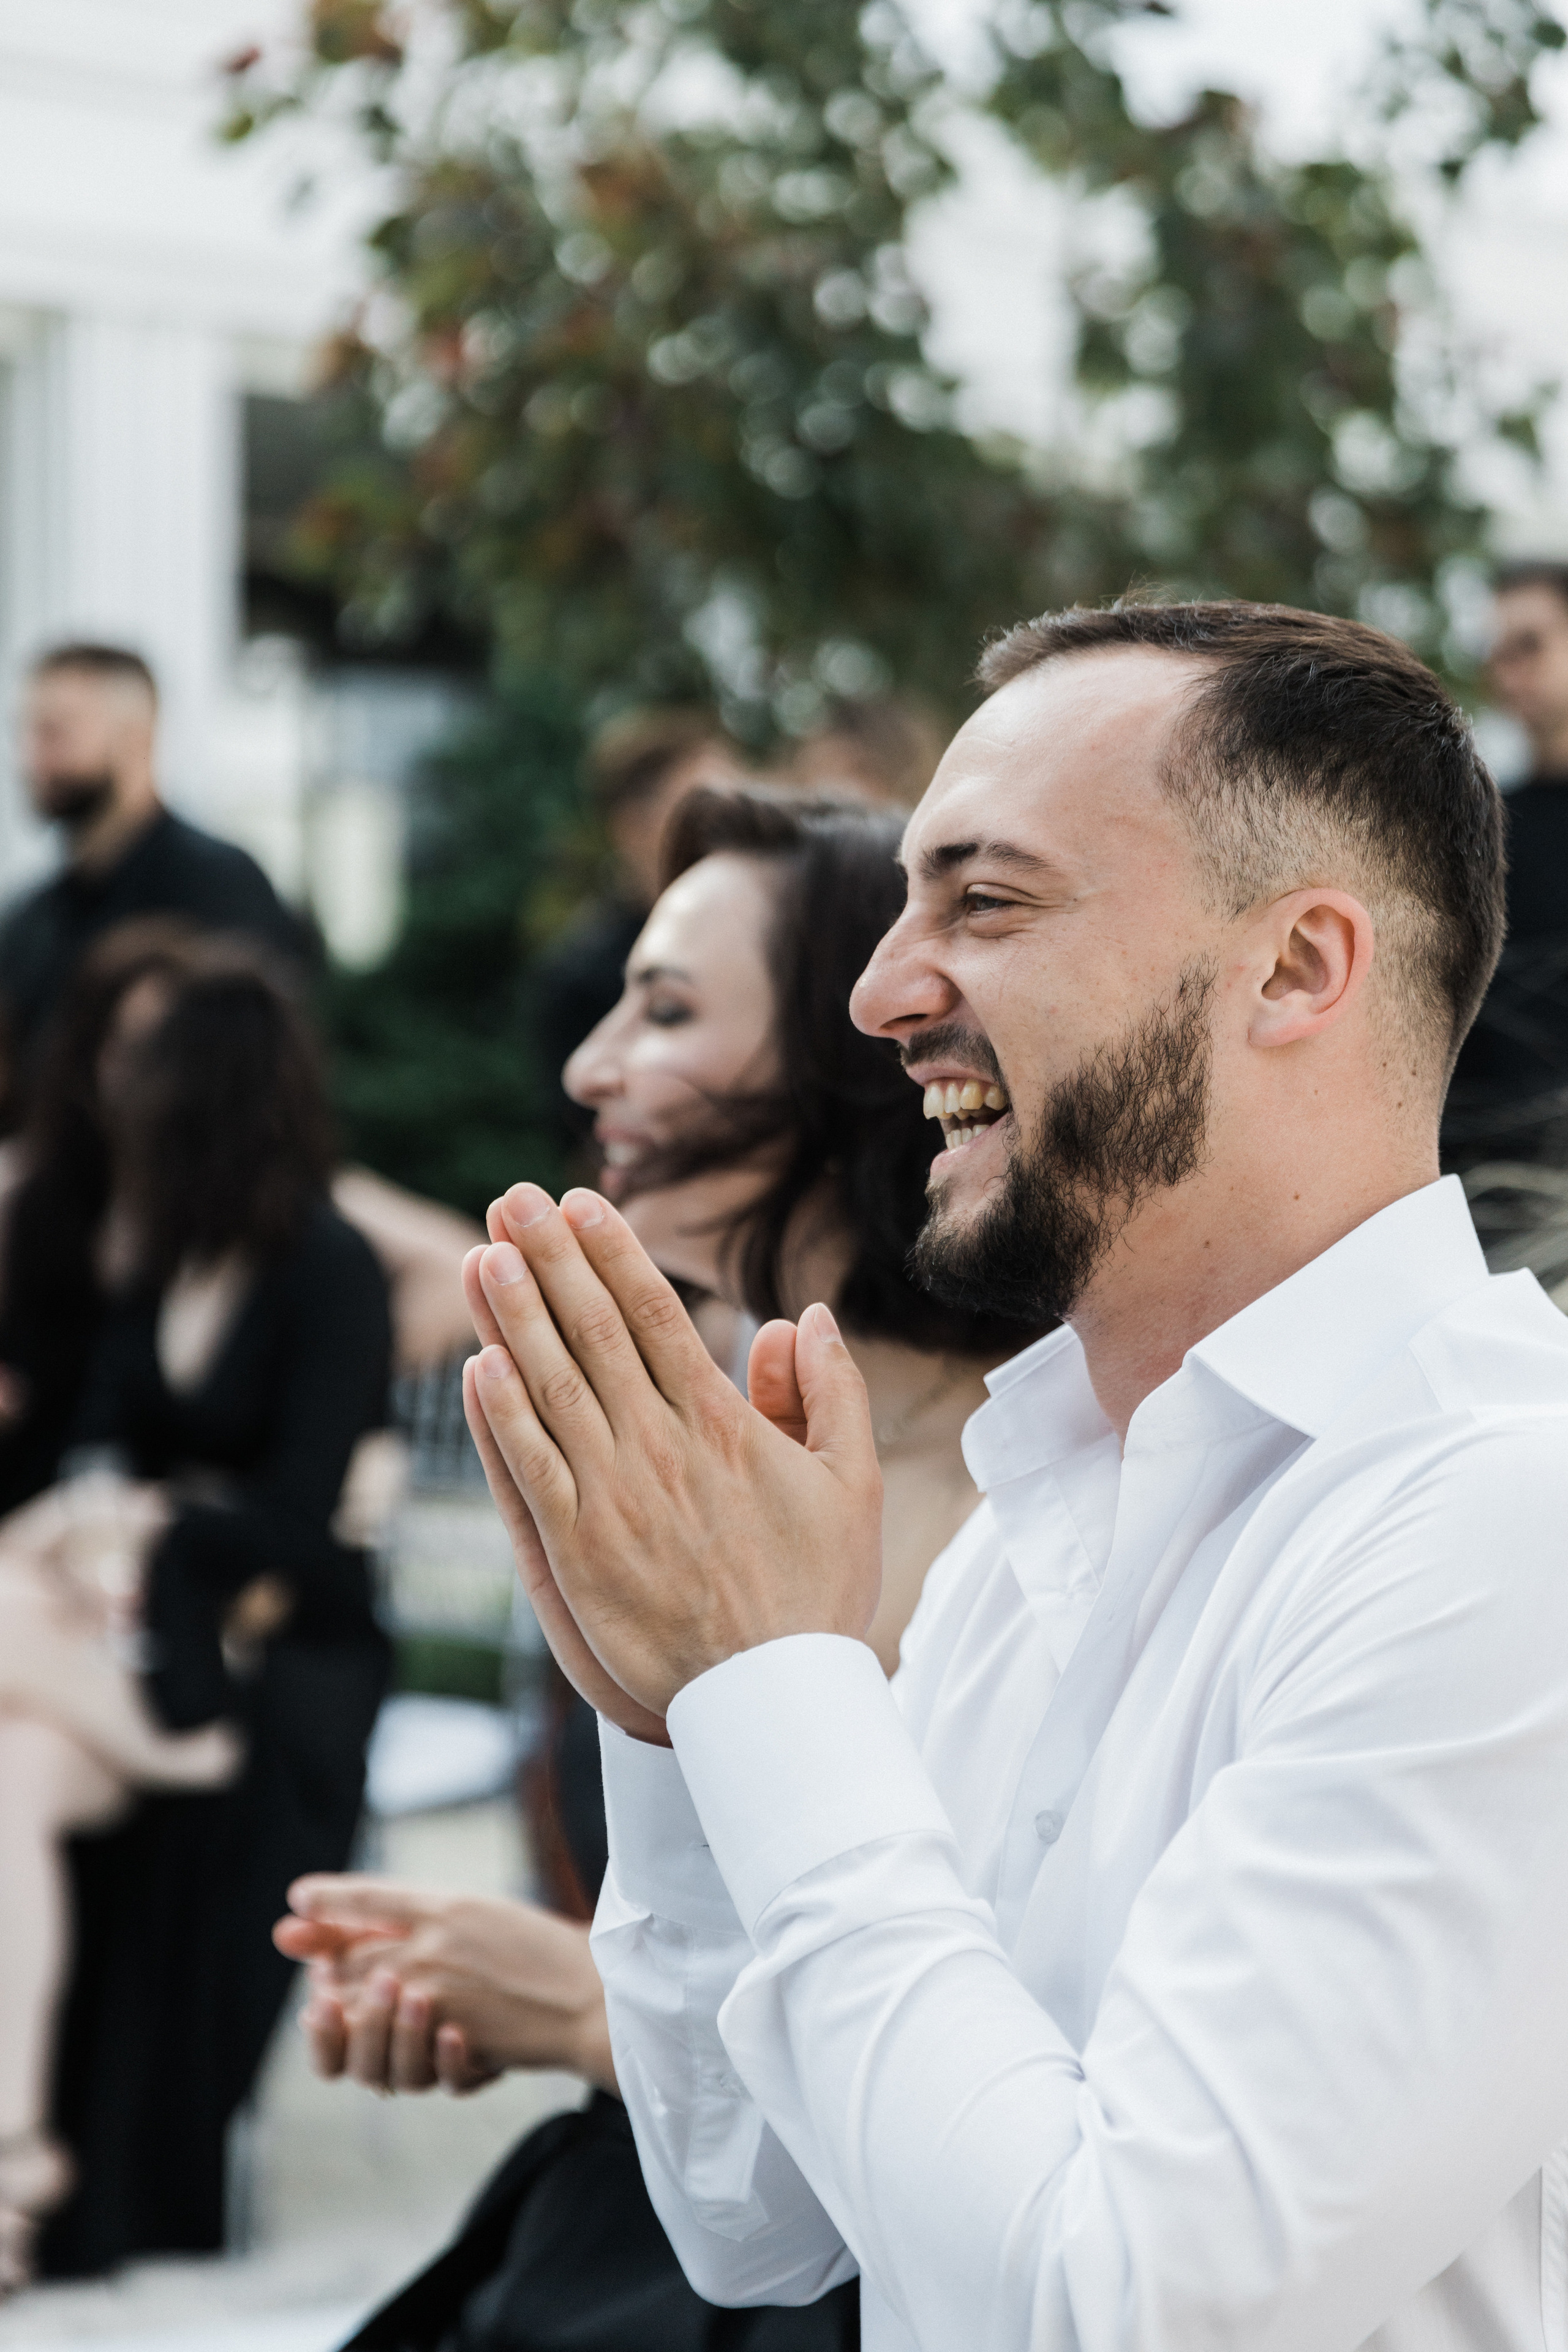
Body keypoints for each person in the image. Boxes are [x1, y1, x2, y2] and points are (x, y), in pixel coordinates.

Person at [466, 601, 1568, 2351]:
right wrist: (676, 1704)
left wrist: (775, 1675)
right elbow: (764, 2222)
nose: (882, 993)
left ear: (1298, 967)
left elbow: (1109, 2308)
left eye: (986, 901)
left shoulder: (1502, 1523)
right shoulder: (1050, 1507)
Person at [273, 791, 1040, 2352]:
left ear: (860, 1063)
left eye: (667, 1007)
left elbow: (1010, 2090)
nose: (587, 1064)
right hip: (635, 2216)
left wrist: (570, 2001)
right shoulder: (665, 1448)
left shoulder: (1042, 1493)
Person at [4, 948, 393, 2283]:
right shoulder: (166, 1259)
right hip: (135, 1649)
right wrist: (120, 1514)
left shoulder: (326, 1268)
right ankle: (18, 2164)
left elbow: (296, 1511)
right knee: (12, 1778)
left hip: (271, 1656)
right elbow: (104, 1442)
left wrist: (145, 1519)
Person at [0, 644, 308, 1108]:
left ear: (134, 737)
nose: (30, 759)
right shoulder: (33, 917)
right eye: (23, 732)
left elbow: (255, 1080)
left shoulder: (217, 887)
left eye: (55, 733)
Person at [531, 707, 747, 1154]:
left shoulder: (763, 943)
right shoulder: (582, 974)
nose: (737, 825)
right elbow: (593, 1156)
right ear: (633, 825)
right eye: (706, 807)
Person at [1445, 562, 1568, 1164]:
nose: (1507, 670)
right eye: (1494, 653)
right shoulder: (1483, 826)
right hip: (1488, 1179)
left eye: (1529, 644)